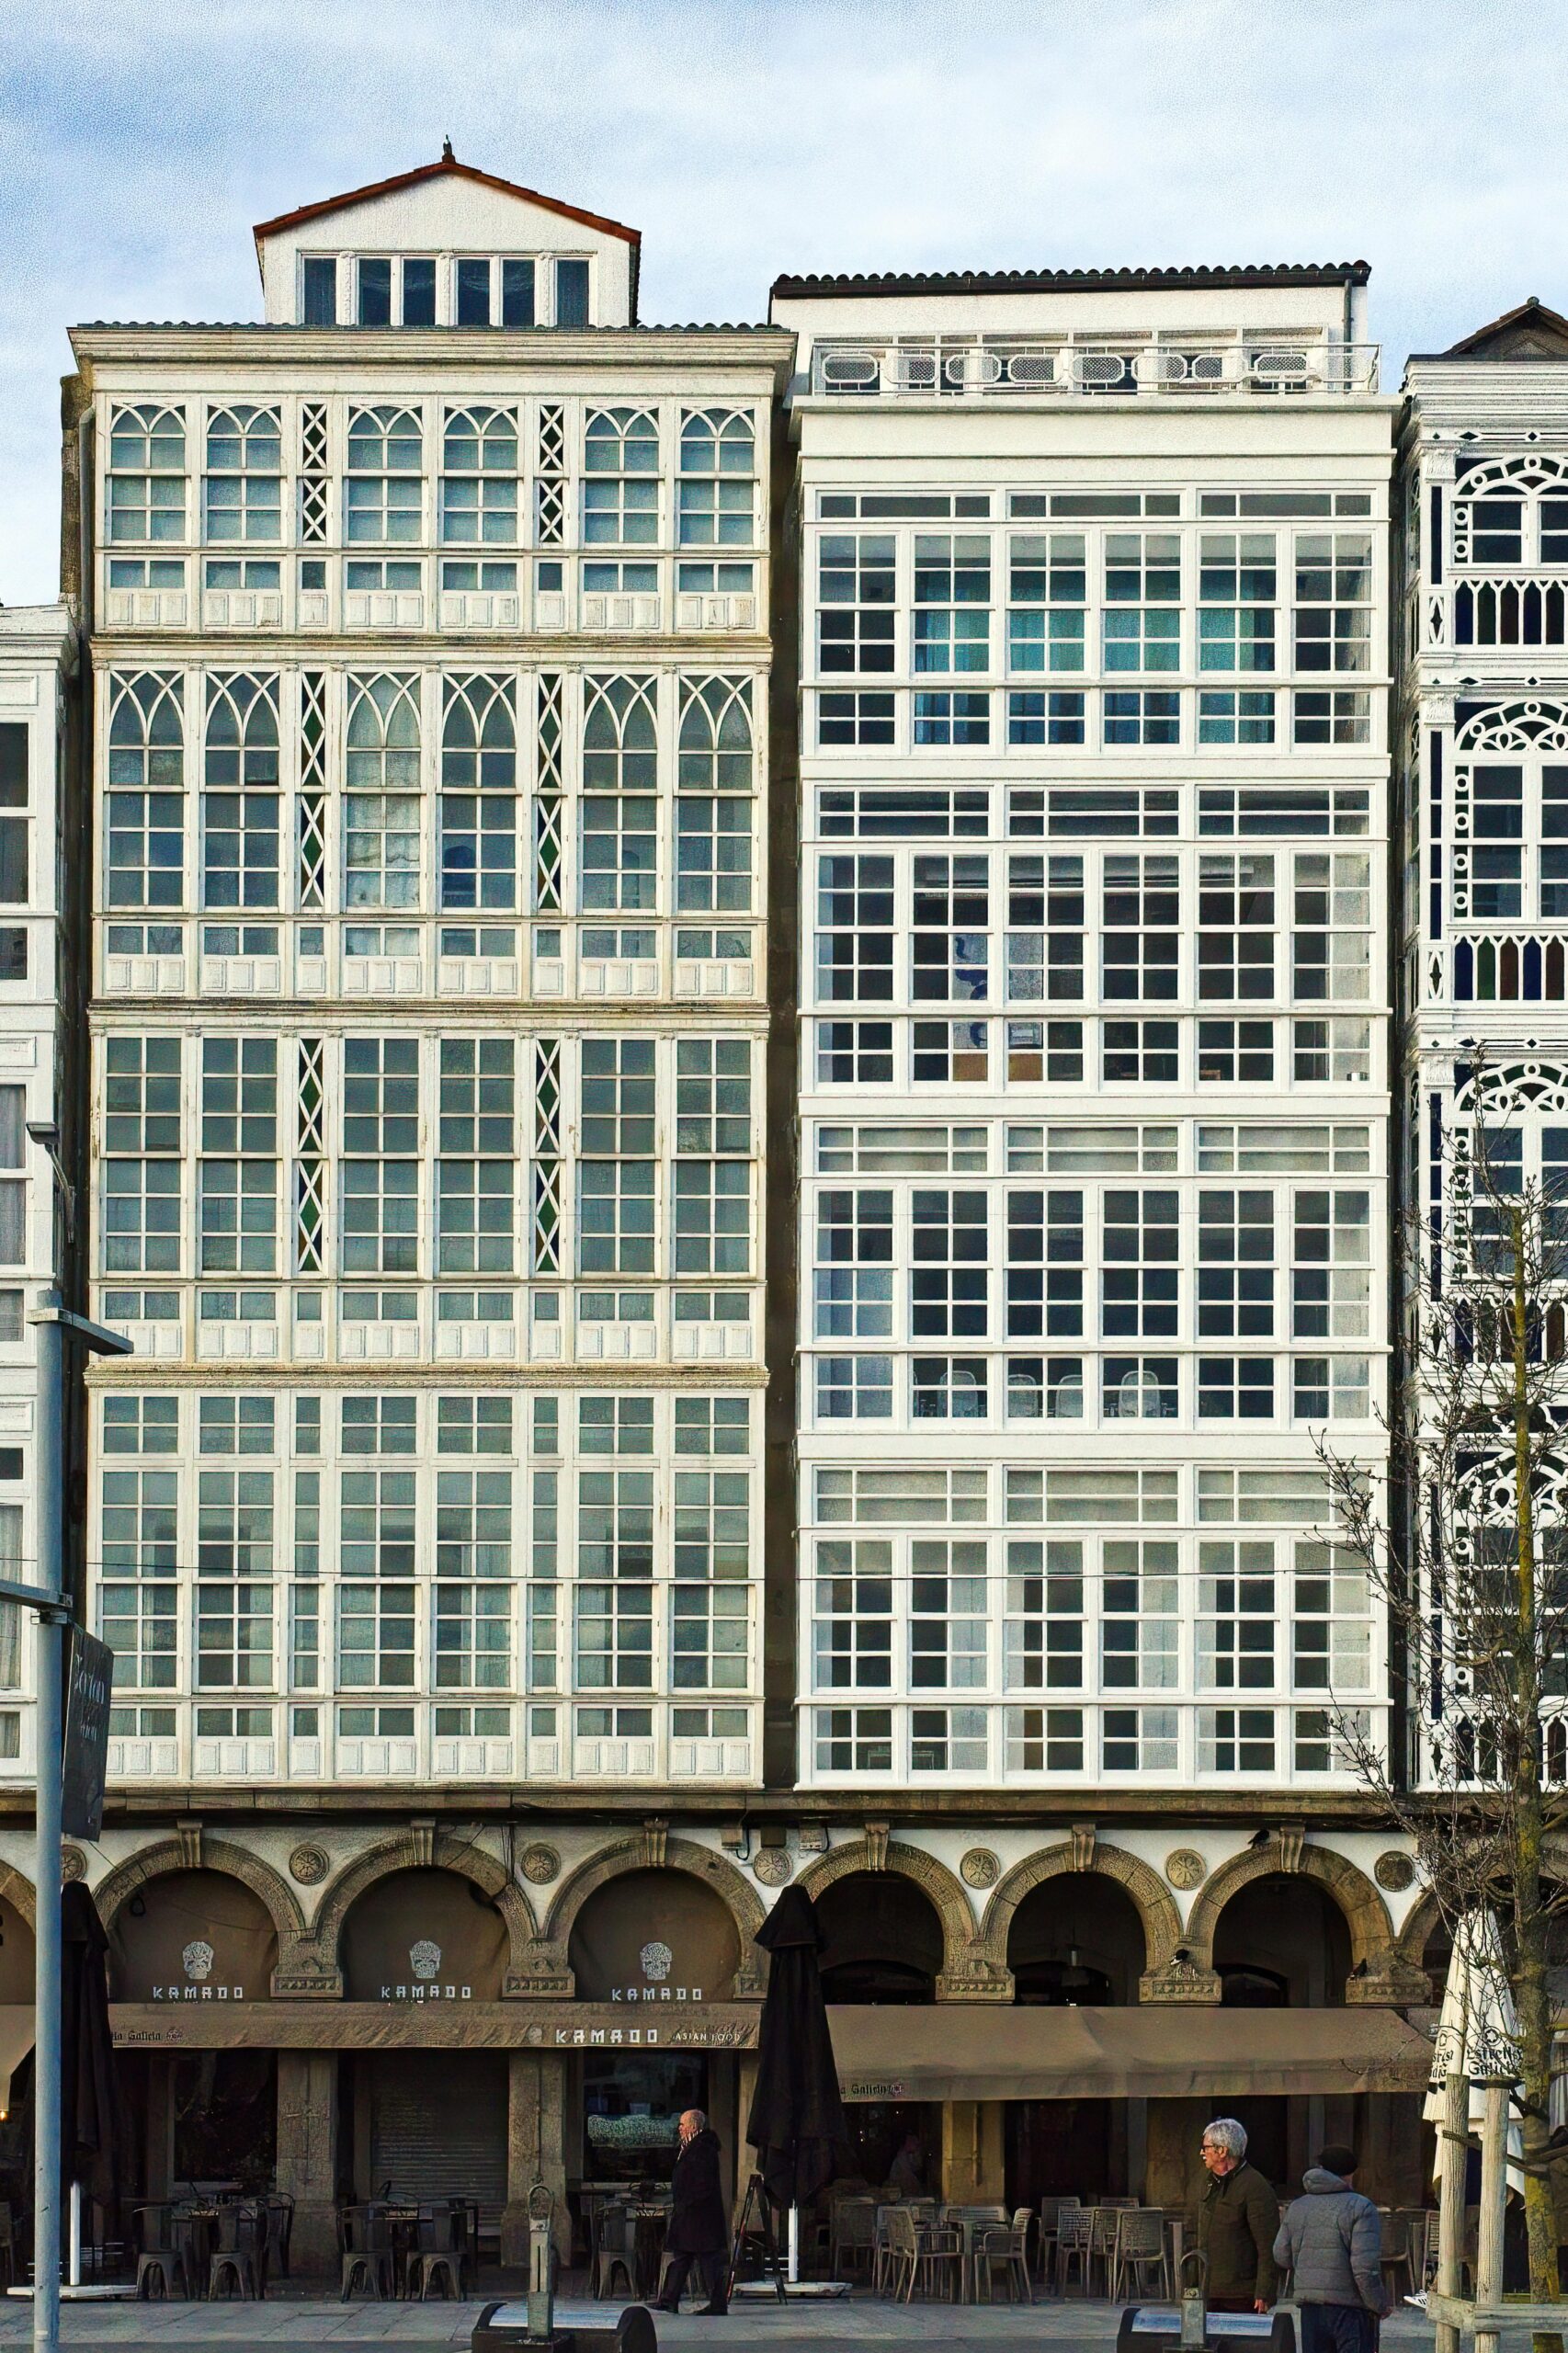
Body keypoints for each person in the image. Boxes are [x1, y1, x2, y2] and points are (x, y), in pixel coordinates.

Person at [1273, 2143, 1389, 2353]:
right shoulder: (1361, 2207)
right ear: (1350, 2174)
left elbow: (1281, 2255)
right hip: (1350, 2309)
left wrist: (1307, 2264)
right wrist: (1379, 2304)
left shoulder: (1298, 2206)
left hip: (1310, 2308)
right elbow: (1364, 2269)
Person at [1195, 2116, 1279, 2313]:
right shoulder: (1210, 2182)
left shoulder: (1255, 2186)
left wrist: (1264, 2292)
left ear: (1222, 2151)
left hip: (1241, 2293)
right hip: (1209, 2287)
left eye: (1206, 2147)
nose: (1202, 2152)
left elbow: (1268, 2244)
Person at [656, 2109, 730, 2316]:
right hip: (691, 2215)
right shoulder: (690, 2146)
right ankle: (669, 2299)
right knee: (682, 2257)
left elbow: (702, 2183)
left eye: (682, 2124)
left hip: (700, 2216)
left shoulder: (702, 2148)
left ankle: (717, 2304)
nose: (679, 2128)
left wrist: (688, 2203)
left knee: (708, 2260)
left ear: (693, 2126)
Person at [888, 2130, 924, 2197]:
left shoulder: (910, 2156)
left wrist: (917, 2152)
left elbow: (918, 2166)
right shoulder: (901, 2156)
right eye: (913, 2141)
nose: (916, 2143)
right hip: (899, 2192)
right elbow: (909, 2179)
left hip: (906, 2191)